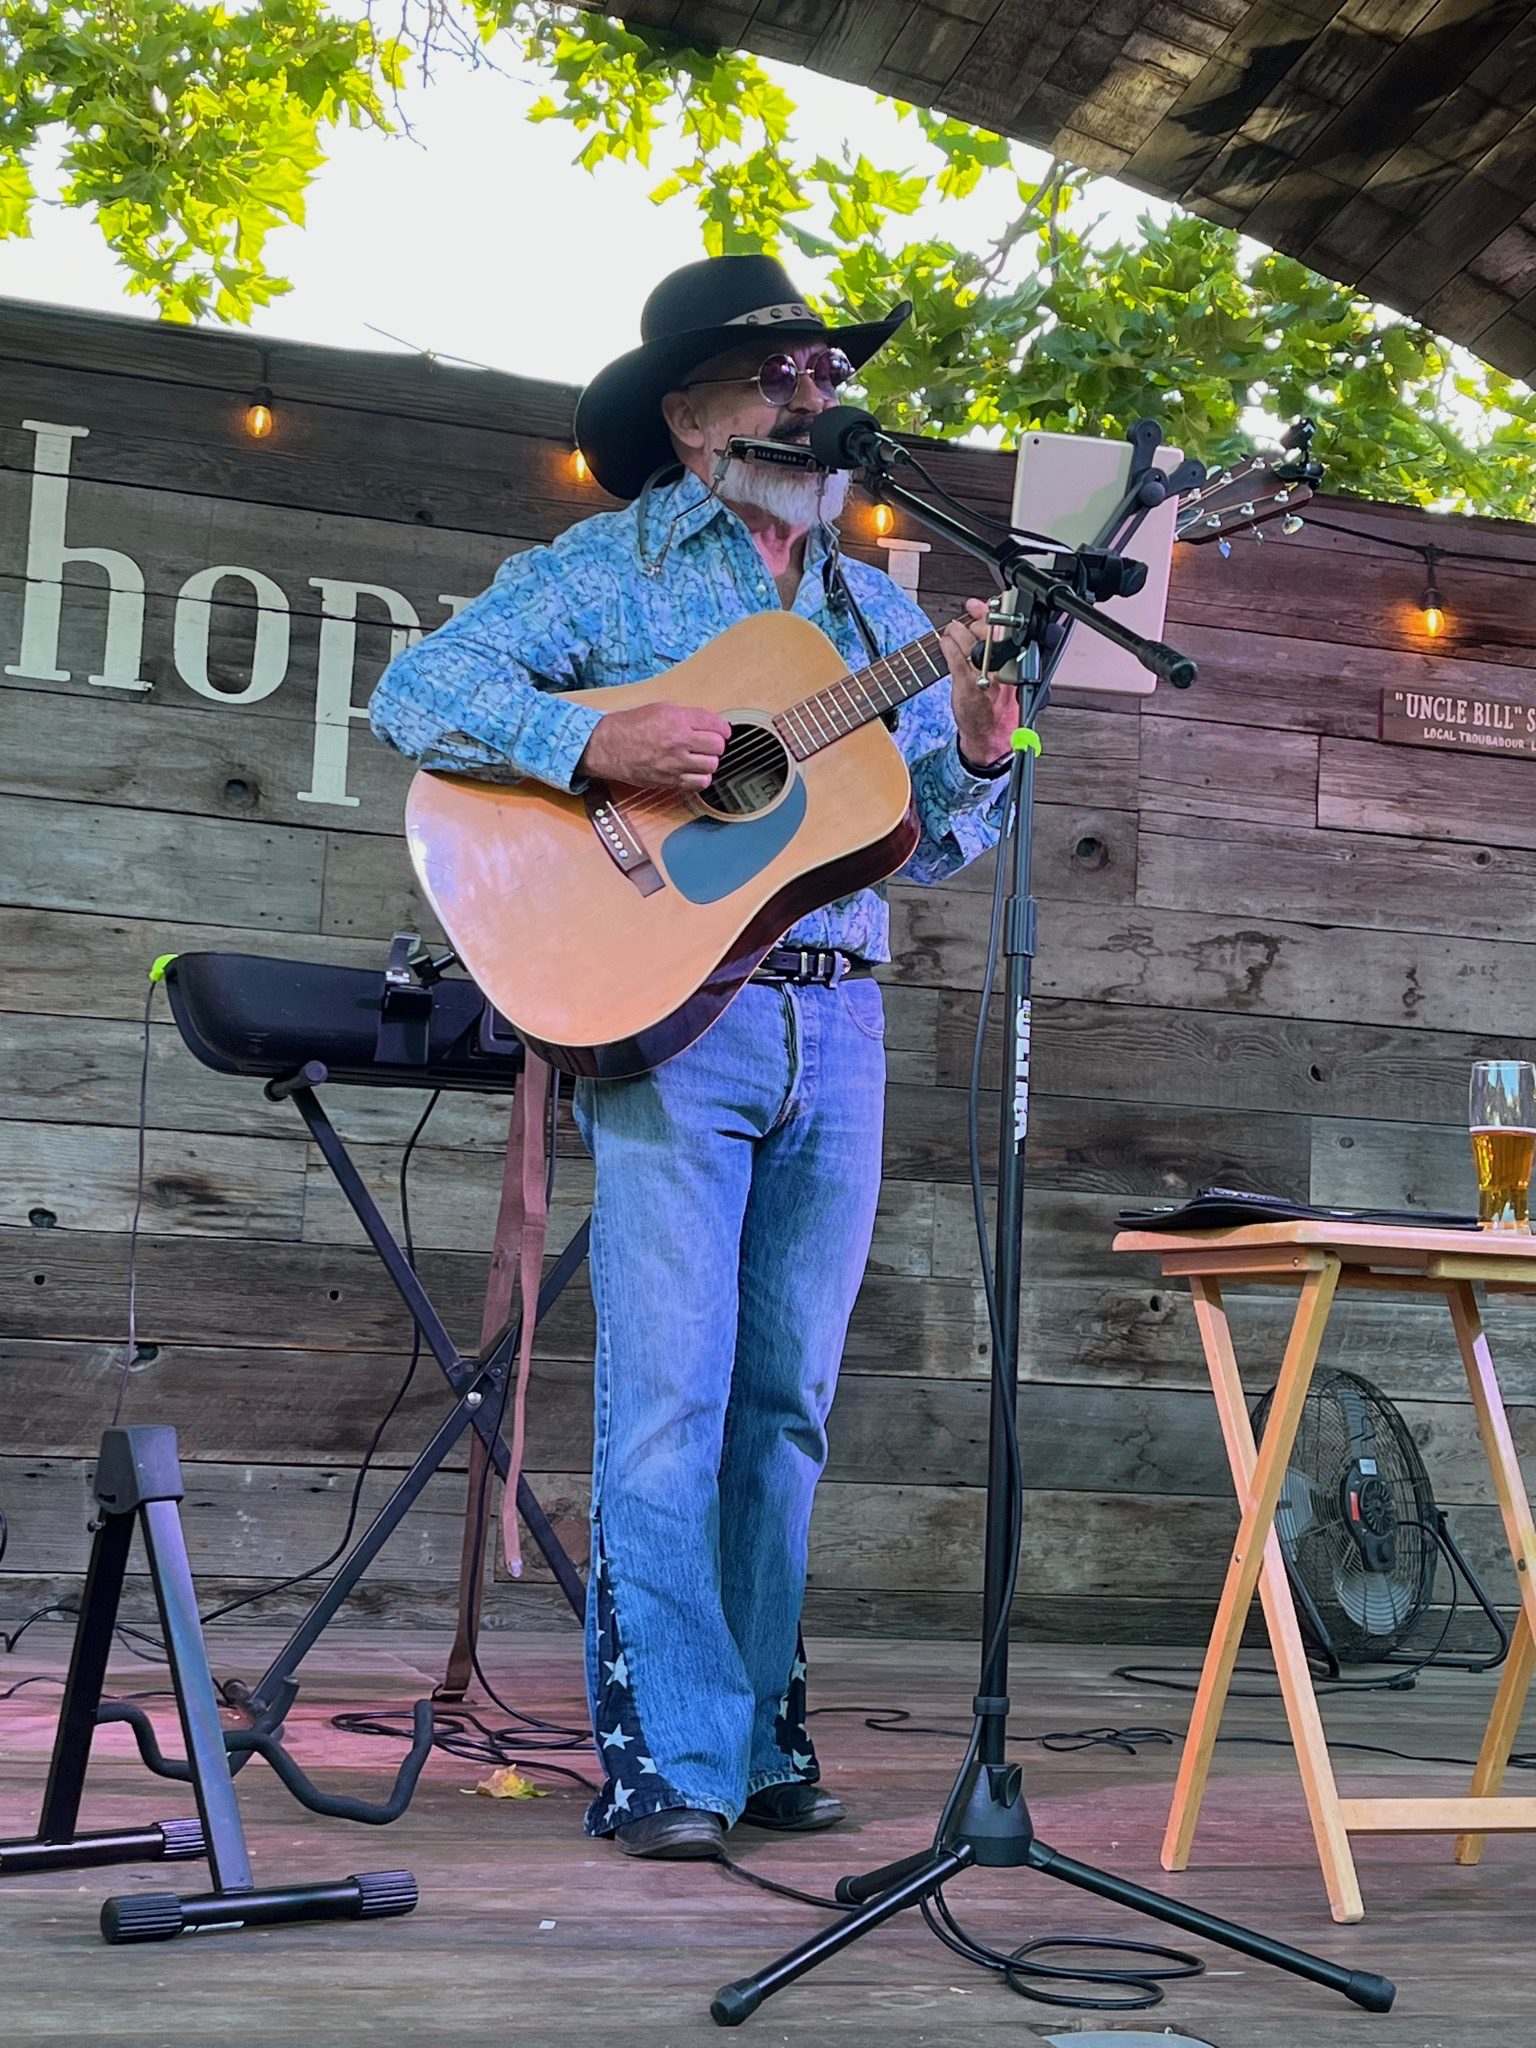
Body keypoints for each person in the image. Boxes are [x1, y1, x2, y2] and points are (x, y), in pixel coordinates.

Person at [369, 253, 1018, 1859]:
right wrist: (589, 737)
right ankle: (667, 1749)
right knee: (671, 1395)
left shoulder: (880, 612)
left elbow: (910, 845)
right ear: (688, 414)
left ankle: (752, 1719)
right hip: (682, 1024)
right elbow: (414, 688)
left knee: (787, 1401)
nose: (814, 398)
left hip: (840, 1020)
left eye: (823, 375)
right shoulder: (612, 571)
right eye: (776, 376)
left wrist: (983, 754)